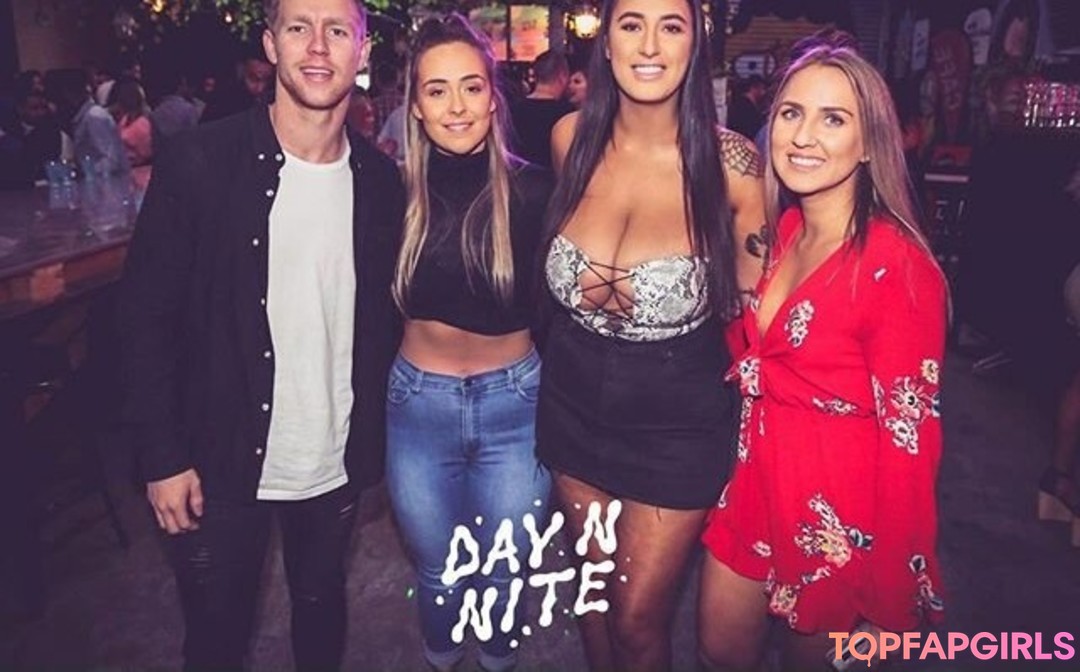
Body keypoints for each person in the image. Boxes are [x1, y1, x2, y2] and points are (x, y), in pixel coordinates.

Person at [117, 0, 405, 668]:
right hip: (215, 461)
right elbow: (143, 319)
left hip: (331, 457)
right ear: (271, 45)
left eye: (338, 30)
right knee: (216, 640)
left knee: (321, 612)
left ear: (362, 54)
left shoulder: (381, 182)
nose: (317, 46)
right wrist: (162, 456)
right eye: (299, 27)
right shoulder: (200, 163)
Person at [698, 43, 948, 670]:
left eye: (833, 119)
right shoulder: (787, 231)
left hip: (839, 516)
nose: (804, 136)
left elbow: (911, 441)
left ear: (869, 144)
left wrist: (891, 594)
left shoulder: (896, 268)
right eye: (791, 113)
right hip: (755, 482)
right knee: (718, 649)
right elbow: (768, 354)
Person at [537, 0, 766, 669]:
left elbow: (761, 315)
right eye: (631, 23)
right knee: (594, 595)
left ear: (696, 45)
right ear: (606, 42)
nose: (649, 45)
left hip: (677, 425)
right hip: (571, 406)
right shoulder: (569, 139)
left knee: (637, 619)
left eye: (672, 26)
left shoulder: (733, 166)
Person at [385, 15, 554, 672]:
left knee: (505, 568)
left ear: (492, 97)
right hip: (417, 406)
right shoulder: (389, 193)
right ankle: (442, 654)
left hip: (517, 405)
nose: (456, 106)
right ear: (415, 107)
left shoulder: (535, 191)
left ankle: (497, 656)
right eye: (437, 90)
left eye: (471, 87)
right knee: (437, 571)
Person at [508, 50, 574, 168]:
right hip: (556, 178)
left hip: (519, 177)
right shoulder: (567, 115)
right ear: (562, 76)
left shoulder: (513, 110)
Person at [110, 77, 153, 189]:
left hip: (142, 173)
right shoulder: (124, 119)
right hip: (125, 172)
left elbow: (147, 153)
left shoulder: (143, 124)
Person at [726, 74, 767, 140]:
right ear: (754, 88)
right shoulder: (745, 107)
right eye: (762, 89)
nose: (763, 93)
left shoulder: (740, 103)